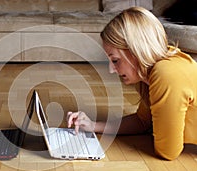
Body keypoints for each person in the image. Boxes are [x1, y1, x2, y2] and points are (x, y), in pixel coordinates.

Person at [67, 7, 197, 161]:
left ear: (137, 51)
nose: (111, 70)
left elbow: (167, 151)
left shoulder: (167, 73)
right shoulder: (152, 71)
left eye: (115, 60)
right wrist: (92, 125)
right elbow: (143, 122)